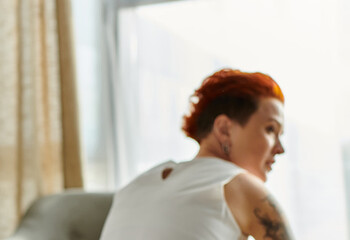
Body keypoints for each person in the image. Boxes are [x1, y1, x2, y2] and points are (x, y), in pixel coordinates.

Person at [100, 69, 293, 240]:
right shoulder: (238, 184)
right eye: (270, 129)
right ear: (224, 129)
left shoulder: (132, 189)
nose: (280, 148)